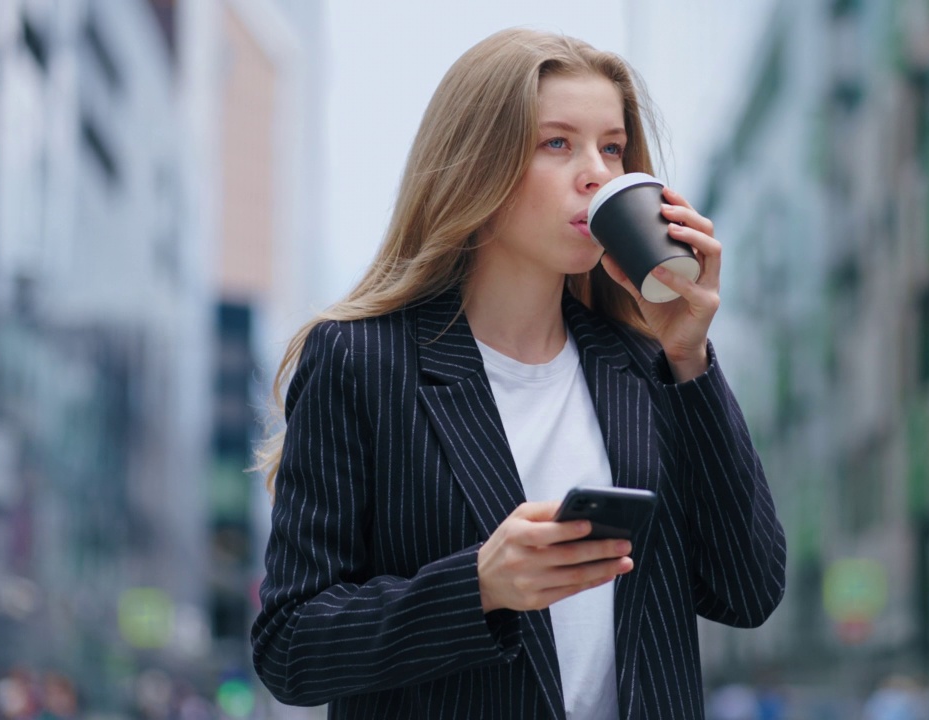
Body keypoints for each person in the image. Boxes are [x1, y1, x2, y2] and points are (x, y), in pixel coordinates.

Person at [249, 27, 787, 719]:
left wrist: (689, 359)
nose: (597, 172)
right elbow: (291, 646)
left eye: (613, 147)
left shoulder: (648, 366)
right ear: (477, 166)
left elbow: (747, 591)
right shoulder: (361, 361)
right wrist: (477, 585)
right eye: (557, 143)